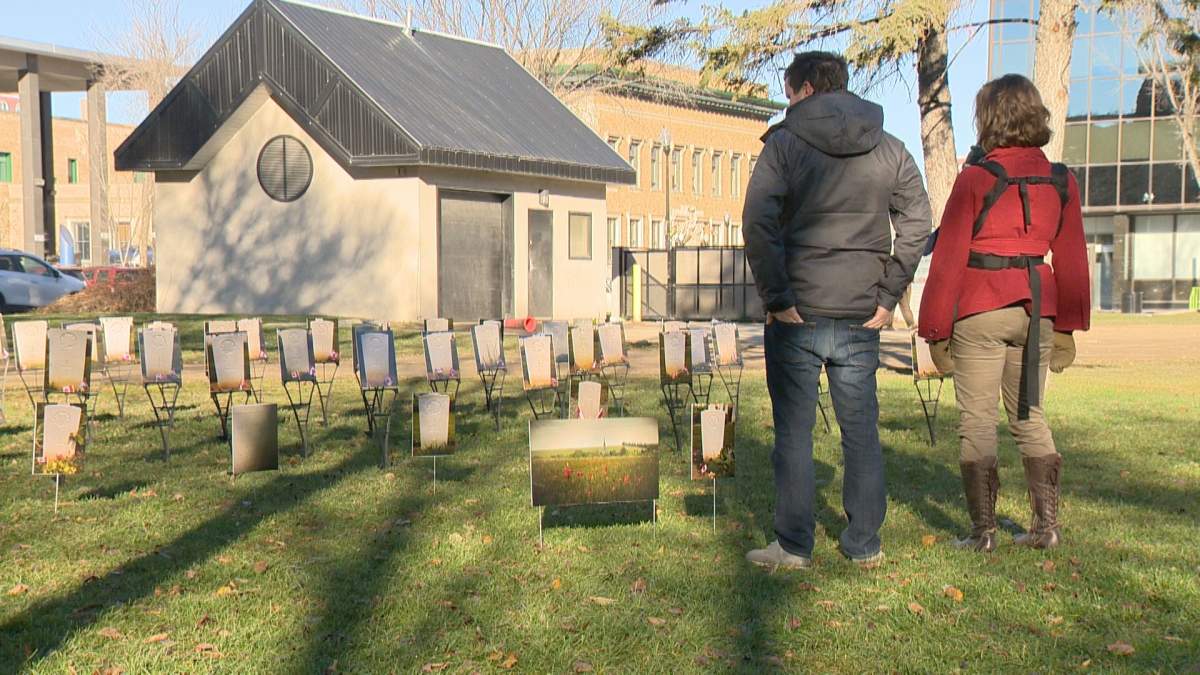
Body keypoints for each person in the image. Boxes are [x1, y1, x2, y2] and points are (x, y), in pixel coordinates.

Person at [742, 51, 932, 570]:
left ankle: (794, 545)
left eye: (787, 91)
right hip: (859, 312)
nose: (786, 101)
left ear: (804, 89)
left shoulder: (782, 146)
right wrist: (889, 292)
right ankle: (864, 543)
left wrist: (777, 298)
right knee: (861, 431)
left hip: (799, 311)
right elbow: (917, 221)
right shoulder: (890, 148)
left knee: (795, 433)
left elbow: (757, 223)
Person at [918, 74, 1090, 552]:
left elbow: (949, 256)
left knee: (977, 420)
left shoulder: (975, 178)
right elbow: (1073, 258)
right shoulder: (1061, 180)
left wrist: (934, 328)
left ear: (988, 119)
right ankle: (1046, 528)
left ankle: (984, 533)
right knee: (1030, 415)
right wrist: (1069, 327)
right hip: (1037, 310)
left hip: (981, 307)